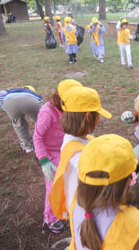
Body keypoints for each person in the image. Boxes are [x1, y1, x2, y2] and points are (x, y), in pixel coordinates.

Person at [68, 134, 139, 250]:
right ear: (124, 184)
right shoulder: (128, 220)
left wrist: (126, 165)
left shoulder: (78, 199)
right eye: (132, 176)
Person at [49, 86, 112, 220]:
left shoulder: (80, 137)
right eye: (98, 114)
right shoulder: (75, 151)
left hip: (85, 203)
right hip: (84, 210)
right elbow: (99, 175)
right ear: (89, 116)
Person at [33, 79, 83, 233]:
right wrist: (44, 160)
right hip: (50, 153)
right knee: (53, 186)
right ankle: (50, 218)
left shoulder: (70, 108)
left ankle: (63, 207)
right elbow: (37, 137)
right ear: (60, 98)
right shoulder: (47, 113)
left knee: (68, 180)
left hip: (65, 148)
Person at [0, 86, 43, 153]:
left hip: (10, 102)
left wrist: (5, 108)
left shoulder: (10, 90)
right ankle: (46, 141)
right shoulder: (32, 93)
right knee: (42, 121)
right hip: (29, 101)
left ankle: (28, 147)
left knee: (19, 125)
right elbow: (40, 102)